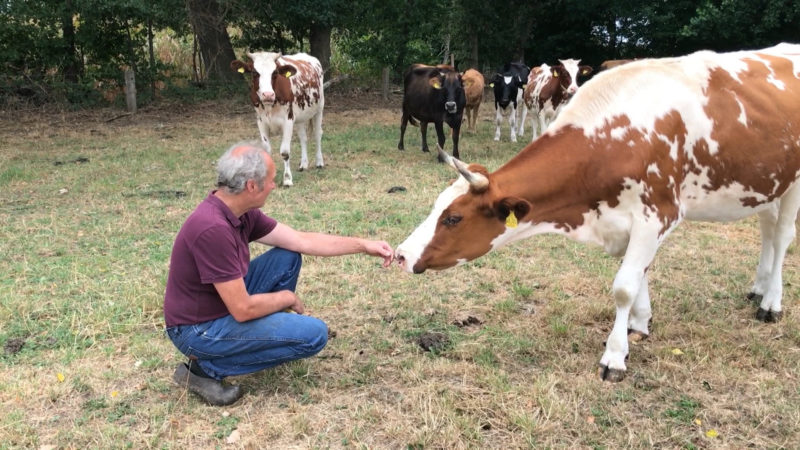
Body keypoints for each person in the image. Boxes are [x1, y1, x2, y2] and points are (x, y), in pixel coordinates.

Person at [164, 141, 394, 406]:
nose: (273, 185)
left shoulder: (239, 211)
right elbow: (242, 309)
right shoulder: (212, 228)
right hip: (197, 330)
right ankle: (205, 371)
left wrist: (363, 245)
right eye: (270, 180)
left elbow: (300, 240)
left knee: (287, 256)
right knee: (314, 335)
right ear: (252, 185)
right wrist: (285, 298)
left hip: (220, 307)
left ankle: (260, 341)